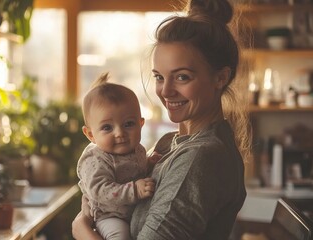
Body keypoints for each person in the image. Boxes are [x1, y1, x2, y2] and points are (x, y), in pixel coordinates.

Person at [72, 0, 252, 239]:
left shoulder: (199, 158)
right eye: (159, 77)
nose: (165, 91)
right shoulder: (174, 142)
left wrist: (82, 231)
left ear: (220, 78)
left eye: (182, 77)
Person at [76, 73, 158, 240]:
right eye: (107, 127)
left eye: (129, 124)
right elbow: (101, 190)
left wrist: (149, 163)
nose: (120, 133)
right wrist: (134, 190)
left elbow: (134, 170)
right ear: (90, 134)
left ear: (141, 124)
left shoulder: (137, 149)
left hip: (133, 211)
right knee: (120, 236)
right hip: (110, 215)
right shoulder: (95, 159)